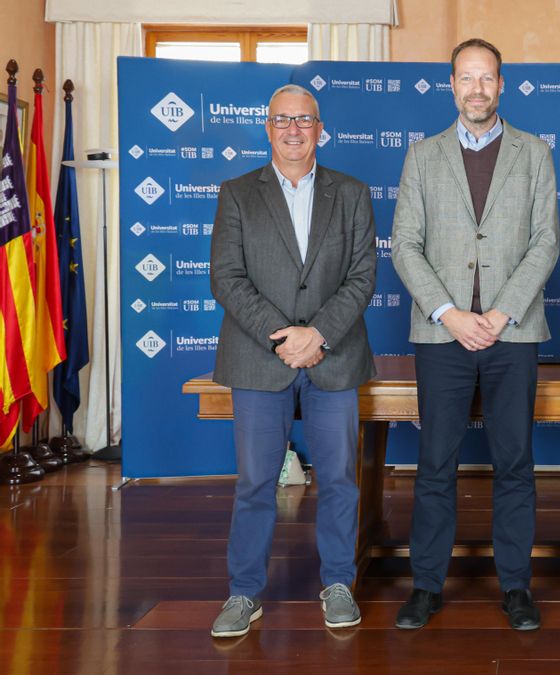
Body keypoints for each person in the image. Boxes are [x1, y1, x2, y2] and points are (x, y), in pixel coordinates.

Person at [390, 37, 559, 631]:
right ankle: (427, 586)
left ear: (502, 85)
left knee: (516, 463)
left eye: (487, 78)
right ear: (452, 85)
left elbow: (545, 243)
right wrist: (451, 313)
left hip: (513, 334)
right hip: (443, 336)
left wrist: (502, 312)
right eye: (467, 78)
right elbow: (405, 245)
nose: (477, 89)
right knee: (436, 463)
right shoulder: (422, 156)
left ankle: (516, 586)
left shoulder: (535, 153)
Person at [209, 84, 376, 637]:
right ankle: (243, 593)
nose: (294, 130)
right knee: (256, 481)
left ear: (320, 128)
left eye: (304, 120)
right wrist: (284, 336)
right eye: (282, 120)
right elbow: (227, 278)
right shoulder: (237, 193)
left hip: (334, 357)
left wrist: (319, 334)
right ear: (267, 128)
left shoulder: (350, 193)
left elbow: (362, 277)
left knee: (338, 479)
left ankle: (337, 583)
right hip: (260, 357)